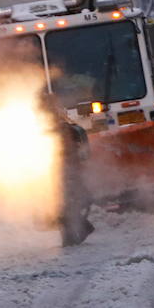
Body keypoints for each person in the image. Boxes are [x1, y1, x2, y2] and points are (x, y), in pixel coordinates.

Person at [41, 93, 93, 246]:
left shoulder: (61, 128)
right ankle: (75, 235)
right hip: (61, 173)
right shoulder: (63, 125)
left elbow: (75, 151)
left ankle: (75, 234)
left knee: (63, 206)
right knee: (64, 207)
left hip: (65, 172)